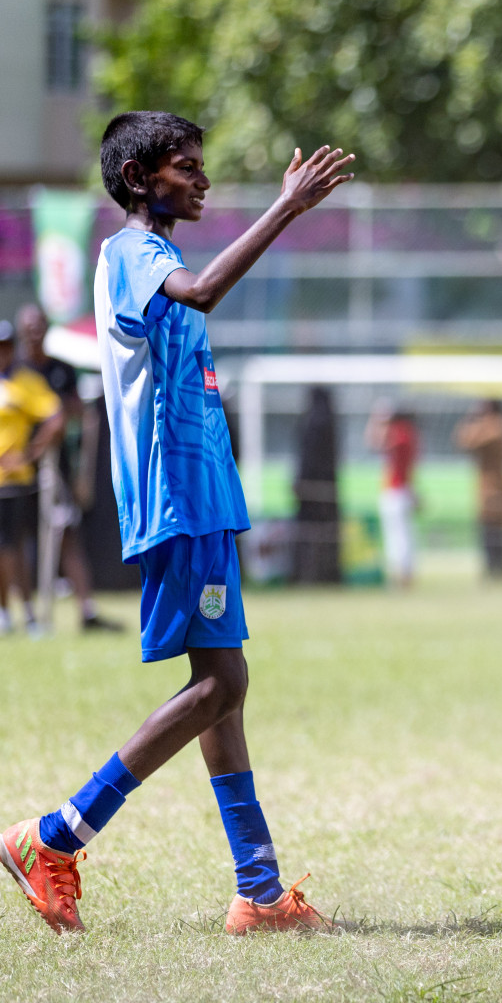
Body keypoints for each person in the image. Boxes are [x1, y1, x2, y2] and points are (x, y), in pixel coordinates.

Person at [1, 111, 352, 935]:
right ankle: (51, 837)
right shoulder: (132, 253)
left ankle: (260, 892)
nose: (200, 179)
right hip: (174, 498)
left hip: (203, 496)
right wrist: (286, 208)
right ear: (137, 180)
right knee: (220, 685)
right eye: (184, 167)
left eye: (201, 165)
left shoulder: (156, 254)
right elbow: (198, 292)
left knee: (223, 697)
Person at [16, 304, 126, 631]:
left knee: (66, 535)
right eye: (29, 326)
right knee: (15, 539)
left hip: (55, 467)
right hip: (18, 468)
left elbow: (74, 415)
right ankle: (25, 614)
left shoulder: (61, 370)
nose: (34, 332)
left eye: (39, 326)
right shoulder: (15, 371)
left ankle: (85, 609)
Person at [0, 319, 65, 638]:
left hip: (13, 480)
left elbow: (55, 417)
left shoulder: (25, 381)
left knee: (11, 547)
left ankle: (25, 612)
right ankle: (5, 614)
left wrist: (30, 454)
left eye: (6, 346)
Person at [454, 398, 502, 580]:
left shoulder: (496, 426)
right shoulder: (494, 426)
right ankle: (493, 569)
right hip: (487, 486)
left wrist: (470, 421)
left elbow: (466, 441)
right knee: (488, 531)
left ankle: (498, 570)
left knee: (495, 531)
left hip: (494, 487)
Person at [292, 386, 341, 585]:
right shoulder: (331, 423)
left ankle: (309, 573)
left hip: (310, 488)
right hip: (327, 487)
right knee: (325, 532)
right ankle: (324, 573)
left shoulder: (311, 423)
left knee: (310, 531)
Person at [367, 403, 419, 588]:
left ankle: (402, 576)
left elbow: (375, 444)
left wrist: (376, 420)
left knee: (398, 537)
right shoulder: (410, 433)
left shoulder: (400, 433)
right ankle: (402, 575)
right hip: (402, 489)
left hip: (396, 490)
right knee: (402, 536)